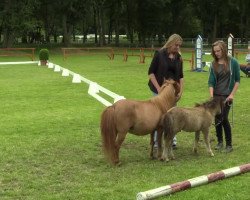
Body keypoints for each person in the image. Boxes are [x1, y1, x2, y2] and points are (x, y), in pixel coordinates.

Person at [148, 33, 184, 150]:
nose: (178, 48)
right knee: (158, 116)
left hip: (172, 92)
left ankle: (171, 140)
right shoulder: (159, 54)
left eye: (179, 46)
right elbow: (151, 73)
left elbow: (181, 76)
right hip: (158, 90)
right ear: (170, 43)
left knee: (171, 115)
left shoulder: (179, 57)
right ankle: (156, 142)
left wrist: (181, 91)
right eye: (176, 45)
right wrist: (159, 89)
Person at [208, 40, 240, 153]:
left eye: (218, 51)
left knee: (224, 118)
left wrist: (232, 95)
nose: (216, 53)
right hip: (216, 95)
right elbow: (211, 82)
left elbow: (237, 81)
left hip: (227, 96)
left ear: (224, 50)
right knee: (217, 119)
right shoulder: (213, 64)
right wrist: (212, 96)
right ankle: (220, 142)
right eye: (215, 51)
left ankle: (229, 145)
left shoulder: (233, 62)